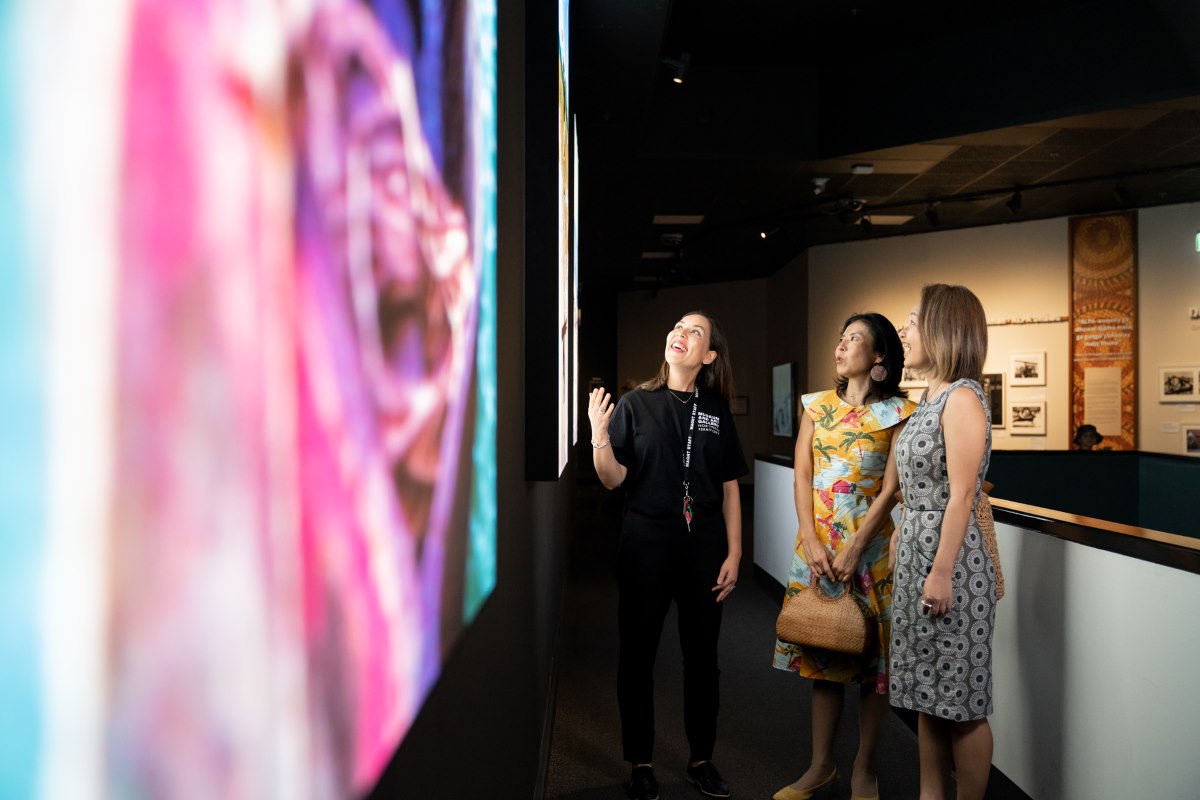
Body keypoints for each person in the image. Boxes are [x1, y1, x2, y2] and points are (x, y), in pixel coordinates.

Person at [588, 311, 747, 800]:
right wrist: (599, 431)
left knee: (703, 660)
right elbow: (612, 478)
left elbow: (728, 487)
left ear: (709, 356)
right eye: (678, 326)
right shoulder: (636, 403)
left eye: (694, 331)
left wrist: (736, 552)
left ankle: (701, 760)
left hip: (703, 547)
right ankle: (641, 763)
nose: (681, 333)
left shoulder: (716, 412)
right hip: (645, 543)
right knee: (638, 656)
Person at [772, 313, 916, 800]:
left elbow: (893, 489)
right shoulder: (815, 406)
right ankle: (820, 767)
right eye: (841, 337)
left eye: (855, 339)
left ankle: (864, 770)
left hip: (871, 551)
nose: (842, 345)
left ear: (878, 357)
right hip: (817, 548)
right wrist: (809, 538)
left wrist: (857, 545)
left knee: (874, 669)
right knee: (823, 653)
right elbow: (801, 474)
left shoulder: (900, 412)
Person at [890, 284, 995, 800]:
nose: (904, 330)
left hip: (948, 563)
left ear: (943, 328)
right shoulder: (929, 396)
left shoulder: (963, 397)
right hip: (917, 555)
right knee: (926, 696)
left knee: (963, 702)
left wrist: (942, 570)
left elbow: (962, 495)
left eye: (914, 320)